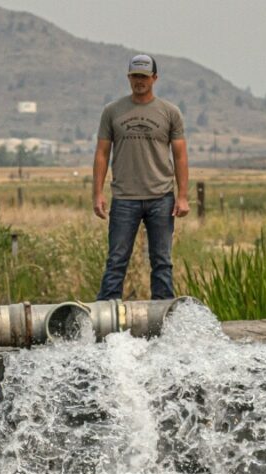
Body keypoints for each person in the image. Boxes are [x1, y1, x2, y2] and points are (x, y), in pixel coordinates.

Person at [92, 54, 189, 301]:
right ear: (128, 78)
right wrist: (98, 193)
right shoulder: (112, 111)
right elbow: (102, 153)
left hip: (161, 198)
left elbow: (180, 156)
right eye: (135, 76)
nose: (139, 81)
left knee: (162, 262)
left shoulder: (170, 112)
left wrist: (183, 197)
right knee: (116, 261)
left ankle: (164, 317)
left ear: (154, 78)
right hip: (124, 198)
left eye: (144, 76)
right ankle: (106, 319)